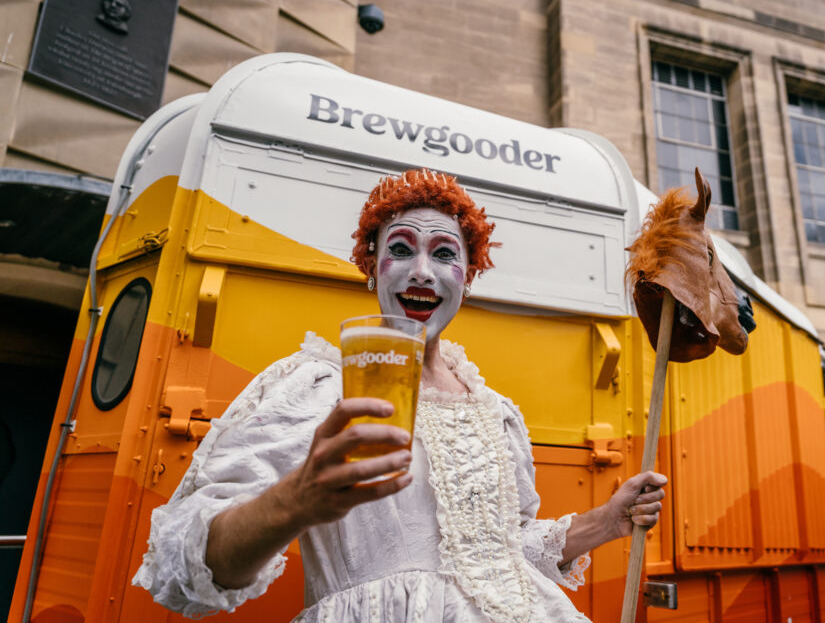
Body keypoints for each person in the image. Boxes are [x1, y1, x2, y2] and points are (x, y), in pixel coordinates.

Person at [133, 168, 667, 621]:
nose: (421, 271)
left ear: (468, 277)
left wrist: (605, 521)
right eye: (401, 249)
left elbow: (497, 557)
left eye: (443, 253)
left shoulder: (496, 411)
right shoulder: (320, 388)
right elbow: (184, 572)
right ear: (371, 268)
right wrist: (294, 501)